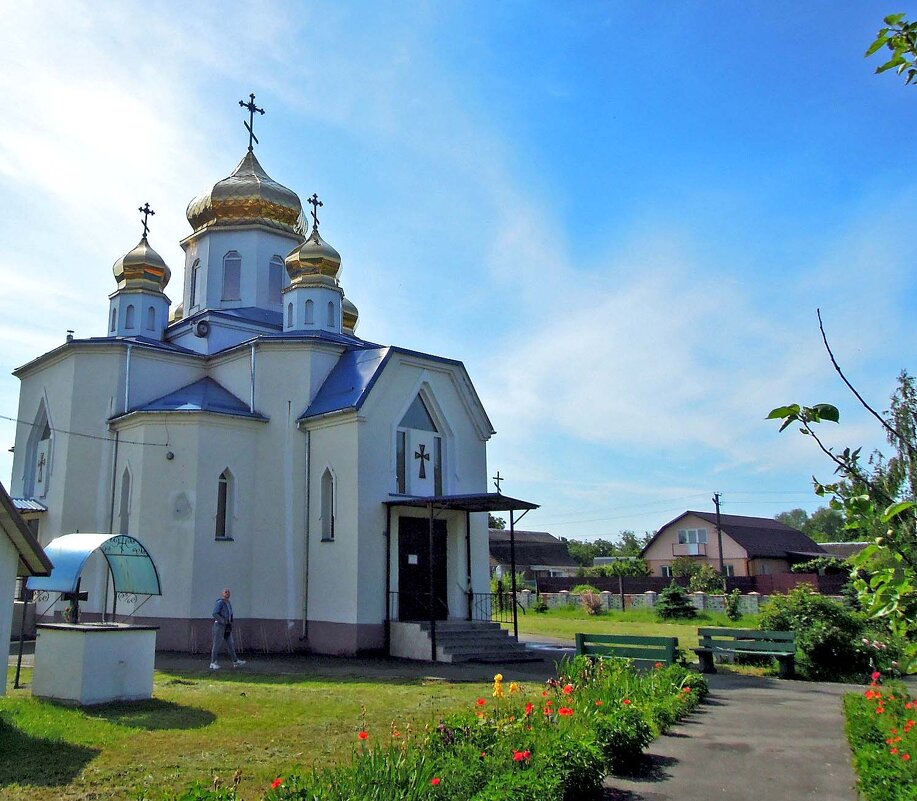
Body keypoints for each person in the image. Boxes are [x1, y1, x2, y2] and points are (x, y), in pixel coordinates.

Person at [210, 587, 246, 669]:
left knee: (231, 643)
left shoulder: (228, 603)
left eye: (228, 592)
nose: (227, 593)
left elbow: (230, 613)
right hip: (219, 626)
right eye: (226, 592)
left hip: (227, 626)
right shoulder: (220, 602)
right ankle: (213, 662)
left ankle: (235, 661)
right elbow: (215, 613)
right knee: (217, 644)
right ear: (222, 593)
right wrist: (222, 621)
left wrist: (230, 621)